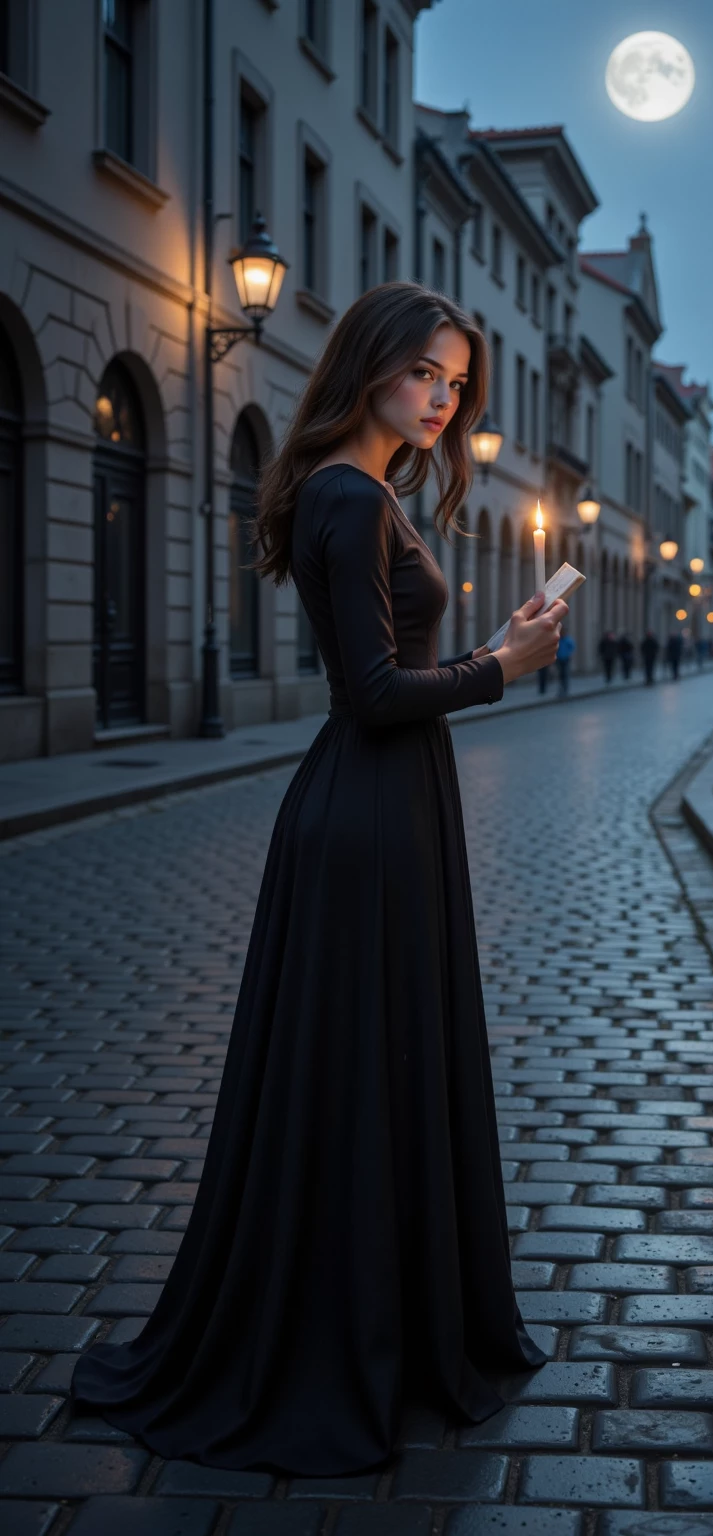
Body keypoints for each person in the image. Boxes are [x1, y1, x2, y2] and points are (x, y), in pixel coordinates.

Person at [70, 283, 565, 1475]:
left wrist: (491, 649)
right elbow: (374, 696)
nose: (442, 399)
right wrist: (504, 665)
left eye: (456, 382)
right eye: (423, 376)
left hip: (385, 808)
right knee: (361, 1075)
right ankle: (345, 1335)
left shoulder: (369, 494)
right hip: (365, 818)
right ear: (369, 366)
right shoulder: (349, 501)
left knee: (375, 1070)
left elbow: (392, 673)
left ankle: (385, 1317)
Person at [556, 628, 576, 695]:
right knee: (560, 675)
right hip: (559, 659)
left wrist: (569, 654)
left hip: (566, 659)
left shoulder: (567, 640)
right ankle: (561, 689)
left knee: (565, 674)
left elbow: (572, 647)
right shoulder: (558, 640)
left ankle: (565, 688)